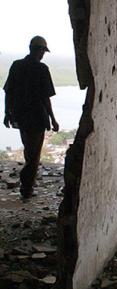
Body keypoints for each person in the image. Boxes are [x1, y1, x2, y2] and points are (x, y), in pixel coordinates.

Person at [3, 36, 59, 201]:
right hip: (37, 117)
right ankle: (26, 188)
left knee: (29, 150)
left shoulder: (16, 65)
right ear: (39, 51)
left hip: (20, 116)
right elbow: (45, 98)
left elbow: (9, 92)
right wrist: (53, 119)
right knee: (34, 156)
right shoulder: (42, 69)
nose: (43, 54)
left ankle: (26, 186)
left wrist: (7, 113)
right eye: (43, 51)